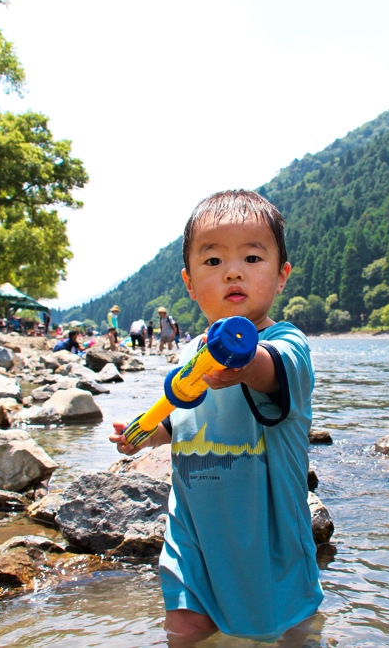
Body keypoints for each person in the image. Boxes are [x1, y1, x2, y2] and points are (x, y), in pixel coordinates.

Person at [110, 189, 321, 643]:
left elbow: (269, 371)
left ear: (281, 276)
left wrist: (243, 363)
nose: (232, 271)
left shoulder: (289, 345)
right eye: (213, 262)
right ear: (189, 283)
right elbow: (183, 417)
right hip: (194, 535)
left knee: (288, 632)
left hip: (268, 539)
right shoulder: (190, 352)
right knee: (184, 629)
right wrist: (147, 435)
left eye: (251, 257)